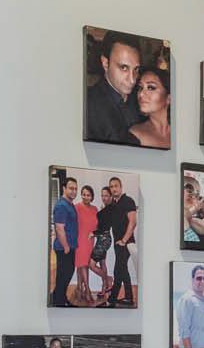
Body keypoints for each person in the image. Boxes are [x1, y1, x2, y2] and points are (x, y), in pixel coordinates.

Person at [85, 32, 143, 144]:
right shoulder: (88, 104)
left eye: (136, 69)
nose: (132, 79)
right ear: (105, 63)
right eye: (124, 68)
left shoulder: (142, 98)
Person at [100, 176, 137, 307]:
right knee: (123, 270)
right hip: (118, 243)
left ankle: (112, 299)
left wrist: (124, 240)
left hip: (126, 243)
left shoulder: (128, 201)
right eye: (111, 186)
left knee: (118, 271)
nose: (113, 188)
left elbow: (133, 222)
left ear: (121, 187)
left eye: (116, 186)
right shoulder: (114, 204)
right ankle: (128, 298)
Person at [50, 176, 79, 307]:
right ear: (64, 188)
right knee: (64, 275)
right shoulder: (61, 205)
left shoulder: (69, 204)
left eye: (75, 189)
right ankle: (58, 302)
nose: (74, 191)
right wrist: (66, 247)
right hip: (64, 248)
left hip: (70, 246)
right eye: (71, 188)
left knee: (66, 274)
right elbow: (59, 228)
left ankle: (59, 297)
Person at [75, 182, 107, 303]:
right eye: (83, 194)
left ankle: (79, 288)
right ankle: (87, 290)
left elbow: (99, 225)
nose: (85, 197)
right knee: (82, 264)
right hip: (79, 239)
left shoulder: (95, 209)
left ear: (92, 197)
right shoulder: (76, 207)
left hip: (90, 240)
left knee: (83, 265)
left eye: (88, 195)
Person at [128, 65, 171, 151]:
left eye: (151, 88)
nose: (141, 94)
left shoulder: (182, 134)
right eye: (140, 88)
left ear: (169, 98)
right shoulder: (135, 134)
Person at [173, 265, 204, 348]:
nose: (202, 281)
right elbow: (184, 332)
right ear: (192, 280)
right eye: (199, 278)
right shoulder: (187, 299)